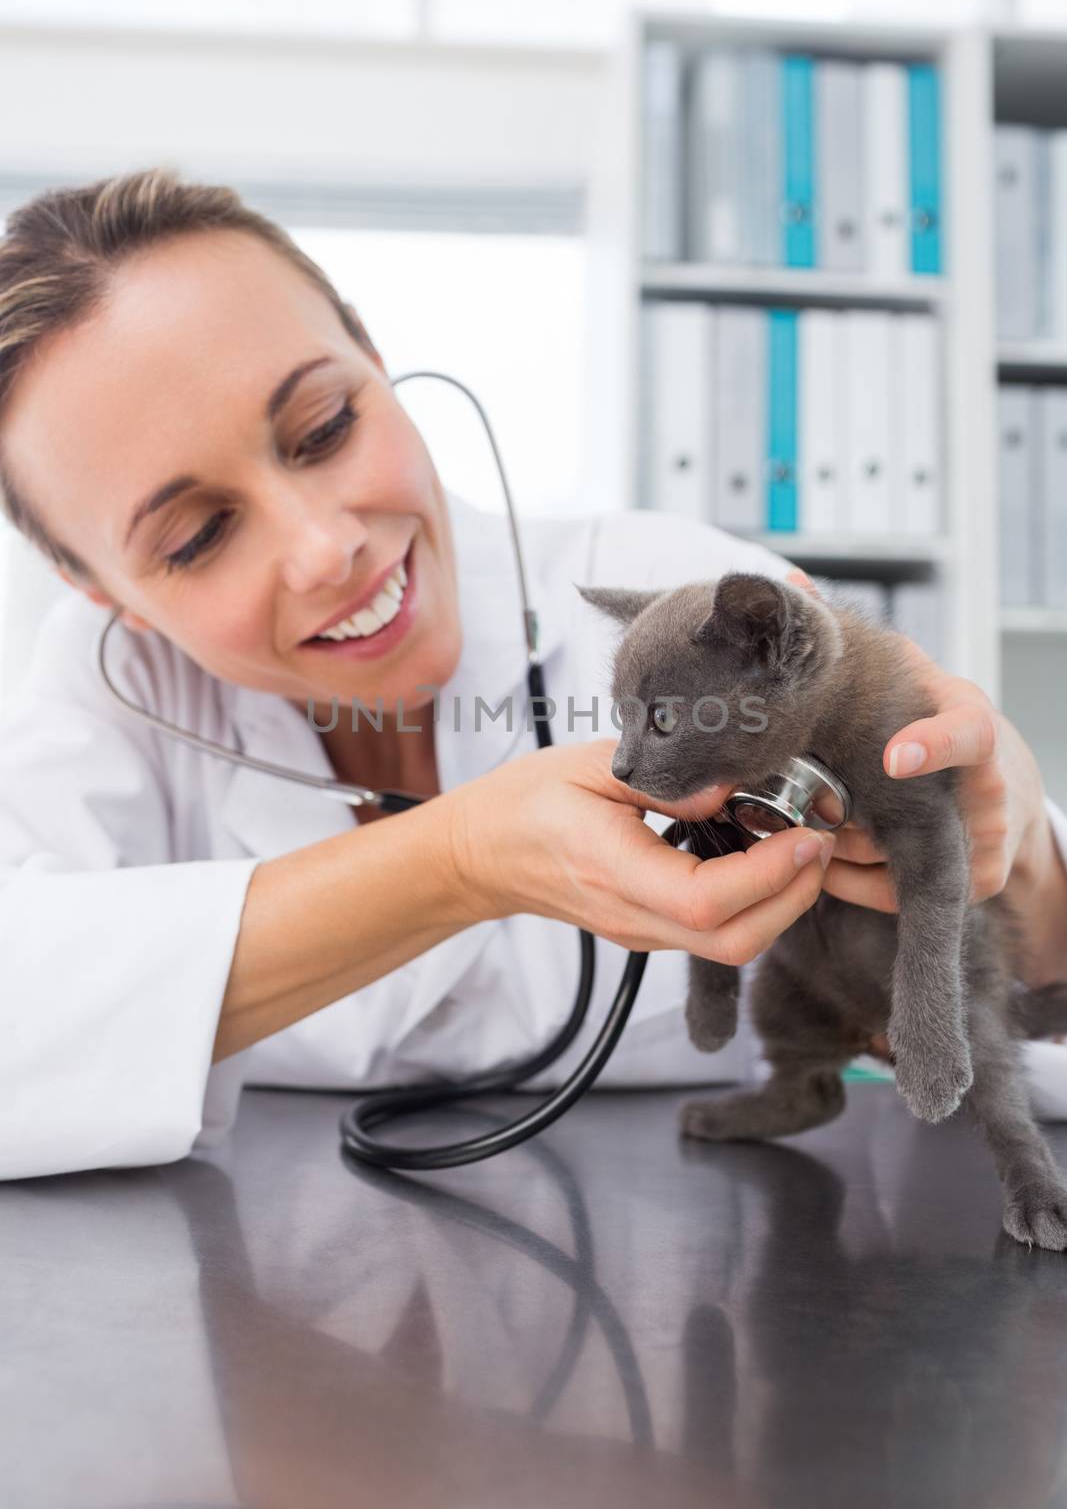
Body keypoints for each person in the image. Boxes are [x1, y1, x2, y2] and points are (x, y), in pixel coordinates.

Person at [0, 169, 1064, 1183]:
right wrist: (458, 861)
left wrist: (1024, 871)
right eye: (195, 536)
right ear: (96, 588)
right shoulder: (98, 704)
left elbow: (964, 1000)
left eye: (325, 427)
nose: (326, 549)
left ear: (372, 355)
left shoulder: (661, 594)